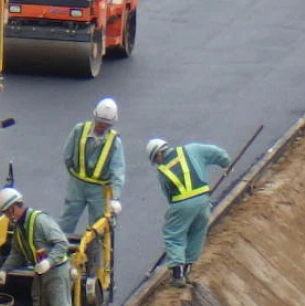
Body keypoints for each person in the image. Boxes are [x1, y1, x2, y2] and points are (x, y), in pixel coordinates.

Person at [146, 137, 237, 286]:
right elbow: (216, 153)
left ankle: (177, 274)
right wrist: (226, 163)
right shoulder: (191, 149)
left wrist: (179, 211)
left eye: (156, 160)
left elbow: (169, 195)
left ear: (158, 154)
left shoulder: (162, 171)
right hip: (203, 200)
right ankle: (187, 268)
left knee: (174, 234)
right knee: (196, 233)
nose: (157, 163)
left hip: (181, 203)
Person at [62, 97, 125, 238]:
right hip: (77, 185)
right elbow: (67, 155)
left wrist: (115, 198)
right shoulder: (79, 130)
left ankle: (95, 257)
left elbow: (118, 172)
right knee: (67, 220)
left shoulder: (115, 142)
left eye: (106, 125)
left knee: (97, 228)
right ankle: (58, 251)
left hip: (99, 190)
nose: (102, 127)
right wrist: (74, 175)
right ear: (95, 118)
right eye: (100, 123)